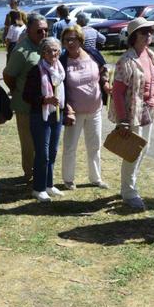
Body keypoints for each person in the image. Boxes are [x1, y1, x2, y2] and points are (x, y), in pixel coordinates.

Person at [109, 17, 154, 211]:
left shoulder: (150, 55)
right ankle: (129, 192)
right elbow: (117, 92)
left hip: (149, 110)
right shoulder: (126, 60)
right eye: (144, 32)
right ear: (133, 36)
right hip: (132, 112)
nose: (149, 35)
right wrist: (123, 119)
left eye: (151, 31)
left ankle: (128, 185)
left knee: (144, 150)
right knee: (133, 151)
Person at [59, 25, 110, 190]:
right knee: (70, 146)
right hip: (74, 112)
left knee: (94, 145)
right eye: (66, 40)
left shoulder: (93, 54)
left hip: (95, 109)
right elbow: (58, 86)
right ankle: (68, 179)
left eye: (73, 39)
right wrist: (66, 107)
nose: (70, 42)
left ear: (80, 40)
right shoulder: (62, 60)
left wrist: (106, 82)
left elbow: (104, 70)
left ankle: (96, 178)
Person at [23, 37, 71, 202]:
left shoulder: (60, 69)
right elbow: (27, 96)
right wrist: (45, 100)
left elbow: (64, 92)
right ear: (42, 53)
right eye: (49, 51)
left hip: (57, 114)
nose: (53, 54)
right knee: (42, 153)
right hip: (40, 116)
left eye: (56, 50)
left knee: (52, 151)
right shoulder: (36, 71)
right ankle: (38, 188)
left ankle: (49, 185)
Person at [3, 13, 49, 181]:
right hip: (25, 106)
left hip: (43, 105)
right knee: (29, 143)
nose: (43, 34)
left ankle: (41, 172)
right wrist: (17, 90)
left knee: (42, 142)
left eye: (45, 30)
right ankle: (29, 174)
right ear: (29, 30)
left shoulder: (45, 47)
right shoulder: (21, 51)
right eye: (39, 31)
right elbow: (8, 75)